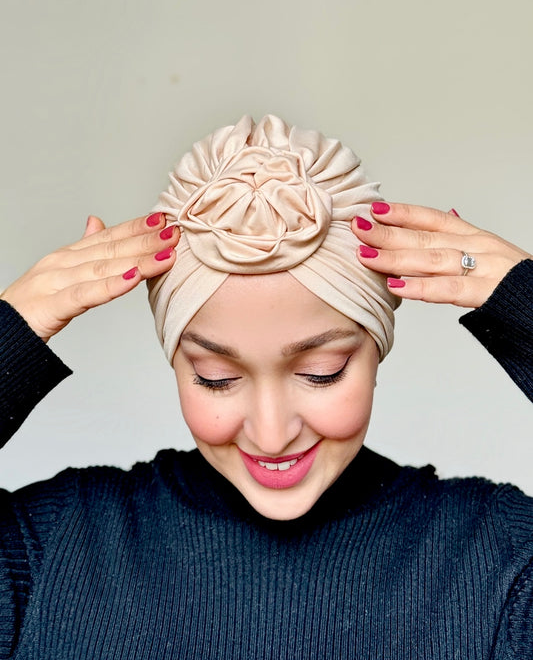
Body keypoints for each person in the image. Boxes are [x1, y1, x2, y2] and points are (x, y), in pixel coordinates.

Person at [0, 114, 531, 659]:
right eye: (217, 378)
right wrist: (10, 333)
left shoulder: (498, 560)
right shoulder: (49, 548)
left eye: (322, 372)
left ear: (376, 351)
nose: (272, 436)